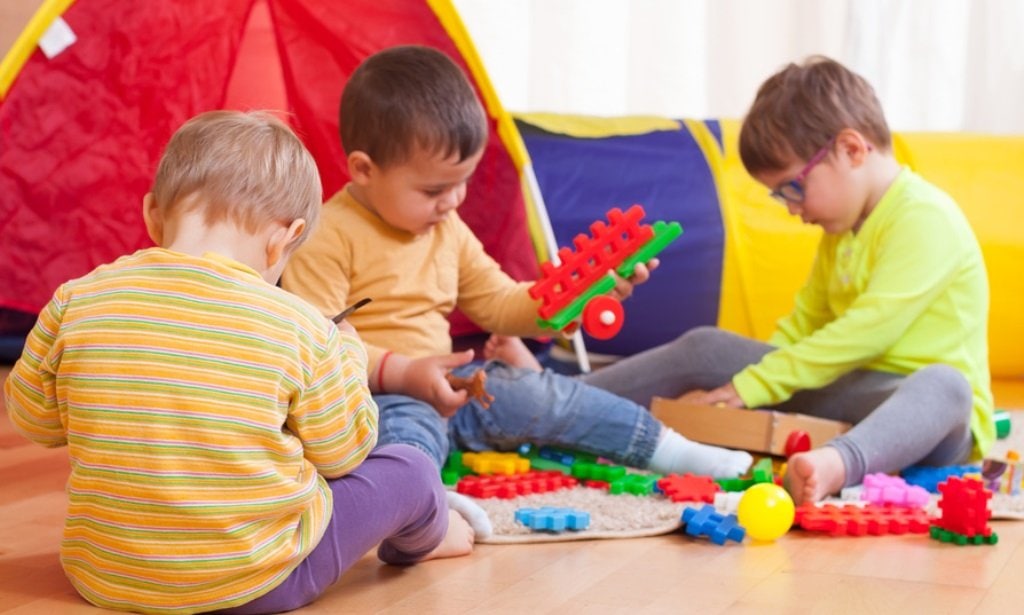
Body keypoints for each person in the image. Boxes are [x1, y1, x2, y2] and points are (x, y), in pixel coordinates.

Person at [4, 110, 472, 615]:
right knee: (412, 470)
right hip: (260, 584)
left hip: (106, 575)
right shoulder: (302, 326)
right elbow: (344, 455)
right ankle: (424, 538)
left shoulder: (75, 300)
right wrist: (348, 357)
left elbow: (35, 421)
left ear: (153, 216)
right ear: (284, 238)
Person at [280, 45, 753, 519]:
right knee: (409, 431)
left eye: (462, 182)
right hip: (374, 399)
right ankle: (417, 505)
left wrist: (573, 298)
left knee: (549, 394)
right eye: (434, 190)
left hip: (457, 387)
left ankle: (669, 450)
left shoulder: (446, 229)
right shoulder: (327, 233)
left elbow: (501, 303)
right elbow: (320, 347)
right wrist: (405, 374)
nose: (452, 201)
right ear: (363, 169)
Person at [575, 56, 994, 505]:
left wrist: (754, 386)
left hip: (926, 417)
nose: (791, 208)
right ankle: (557, 400)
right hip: (855, 391)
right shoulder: (843, 229)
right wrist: (747, 386)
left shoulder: (924, 217)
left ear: (852, 150)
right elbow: (800, 328)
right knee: (707, 347)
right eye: (780, 196)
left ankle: (839, 463)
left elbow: (866, 333)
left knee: (946, 385)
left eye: (793, 188)